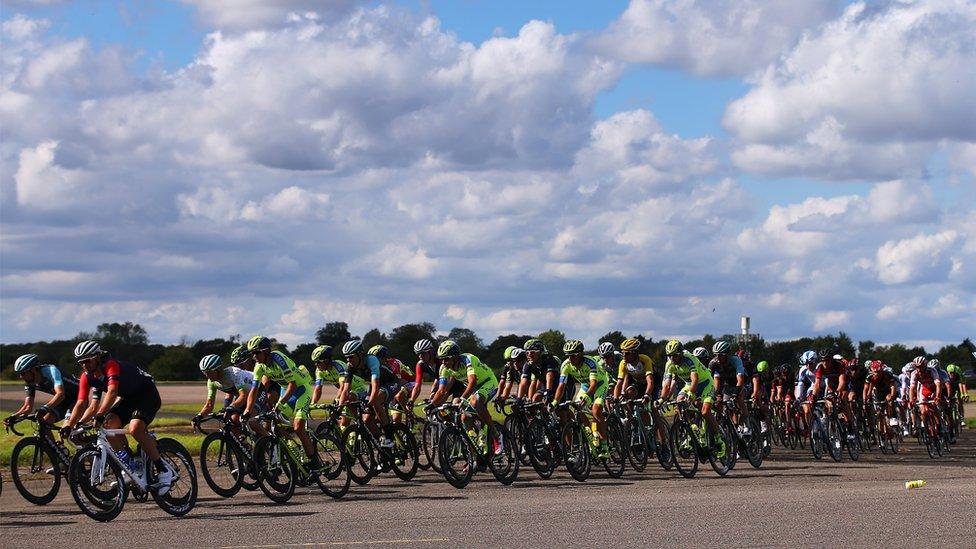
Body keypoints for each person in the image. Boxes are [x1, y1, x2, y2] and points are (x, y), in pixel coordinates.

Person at [60, 340, 173, 493]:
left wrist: (100, 415)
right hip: (129, 399)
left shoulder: (110, 365)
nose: (84, 365)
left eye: (87, 361)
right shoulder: (88, 377)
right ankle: (131, 466)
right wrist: (72, 424)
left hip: (146, 394)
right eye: (81, 362)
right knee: (108, 425)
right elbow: (84, 404)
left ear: (97, 357)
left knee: (135, 429)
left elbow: (112, 392)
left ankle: (164, 470)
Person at [243, 336, 319, 468]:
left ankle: (314, 462)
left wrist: (280, 403)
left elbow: (293, 385)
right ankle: (295, 450)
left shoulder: (279, 359)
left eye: (256, 352)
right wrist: (248, 410)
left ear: (266, 351)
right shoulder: (259, 367)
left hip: (301, 389)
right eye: (252, 353)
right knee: (275, 425)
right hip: (287, 390)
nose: (253, 356)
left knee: (298, 426)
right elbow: (254, 391)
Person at [429, 340, 501, 453]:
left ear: (455, 357)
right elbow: (441, 390)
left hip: (487, 382)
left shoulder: (468, 359)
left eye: (446, 358)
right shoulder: (444, 368)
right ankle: (475, 454)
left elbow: (472, 382)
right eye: (441, 359)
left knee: (475, 401)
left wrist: (463, 398)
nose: (443, 362)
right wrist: (432, 405)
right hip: (473, 388)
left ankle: (495, 434)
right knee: (464, 417)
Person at [658, 339, 723, 457]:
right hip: (689, 385)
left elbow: (695, 379)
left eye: (675, 356)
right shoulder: (669, 364)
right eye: (670, 356)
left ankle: (719, 439)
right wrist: (662, 399)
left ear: (681, 354)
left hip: (705, 383)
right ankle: (692, 430)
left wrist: (691, 394)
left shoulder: (689, 359)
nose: (673, 359)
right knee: (679, 403)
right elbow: (667, 384)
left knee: (705, 411)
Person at [552, 340, 610, 458]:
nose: (570, 358)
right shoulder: (566, 365)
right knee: (578, 408)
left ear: (580, 355)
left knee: (596, 410)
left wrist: (587, 397)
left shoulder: (590, 362)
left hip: (599, 384)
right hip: (585, 386)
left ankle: (605, 446)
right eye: (568, 356)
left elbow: (593, 384)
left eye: (573, 355)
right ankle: (592, 434)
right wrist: (554, 402)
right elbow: (561, 386)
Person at [341, 339, 403, 447]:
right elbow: (345, 390)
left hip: (390, 382)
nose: (348, 360)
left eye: (351, 356)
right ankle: (384, 443)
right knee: (366, 419)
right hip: (376, 386)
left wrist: (369, 404)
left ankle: (389, 434)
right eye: (346, 357)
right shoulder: (350, 366)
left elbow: (375, 386)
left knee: (376, 401)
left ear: (360, 354)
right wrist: (338, 409)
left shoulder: (372, 360)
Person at [194, 353, 267, 436]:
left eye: (209, 372)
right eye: (204, 372)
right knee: (231, 422)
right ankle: (246, 447)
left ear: (218, 369)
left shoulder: (233, 373)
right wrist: (199, 417)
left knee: (250, 421)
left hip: (258, 391)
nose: (207, 375)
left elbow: (243, 395)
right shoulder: (211, 382)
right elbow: (209, 405)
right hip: (245, 395)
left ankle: (271, 444)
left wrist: (231, 407)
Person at [11, 353, 80, 425]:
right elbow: (28, 407)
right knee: (43, 423)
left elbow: (60, 394)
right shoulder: (30, 382)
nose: (21, 377)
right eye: (19, 373)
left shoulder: (51, 371)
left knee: (66, 429)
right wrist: (13, 417)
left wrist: (44, 409)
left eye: (23, 373)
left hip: (78, 397)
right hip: (63, 400)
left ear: (33, 369)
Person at [908, 356, 942, 439]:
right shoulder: (914, 373)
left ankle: (939, 425)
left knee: (934, 407)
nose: (918, 369)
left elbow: (938, 384)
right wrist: (911, 400)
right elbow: (912, 388)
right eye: (917, 367)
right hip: (924, 390)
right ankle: (927, 430)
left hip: (933, 389)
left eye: (920, 367)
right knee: (922, 410)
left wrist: (937, 396)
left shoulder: (932, 370)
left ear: (925, 365)